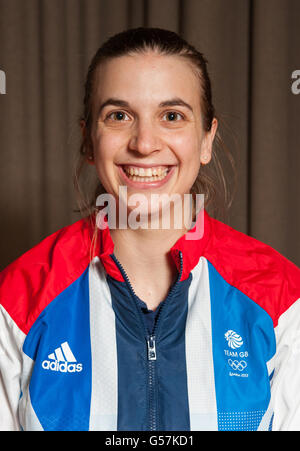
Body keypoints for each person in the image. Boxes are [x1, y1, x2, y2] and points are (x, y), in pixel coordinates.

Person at [0, 27, 300, 432]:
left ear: (206, 140)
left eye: (172, 116)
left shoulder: (281, 297)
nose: (144, 143)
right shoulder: (18, 298)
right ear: (90, 140)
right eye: (119, 116)